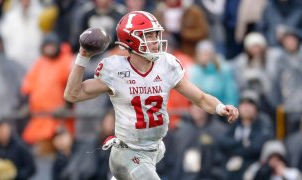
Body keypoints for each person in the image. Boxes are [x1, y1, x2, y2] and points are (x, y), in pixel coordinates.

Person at [64, 11, 239, 180]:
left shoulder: (166, 64)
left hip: (156, 148)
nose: (156, 40)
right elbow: (73, 94)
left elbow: (200, 98)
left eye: (156, 34)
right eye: (149, 36)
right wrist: (83, 56)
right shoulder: (115, 69)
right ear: (130, 40)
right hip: (127, 151)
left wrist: (220, 107)